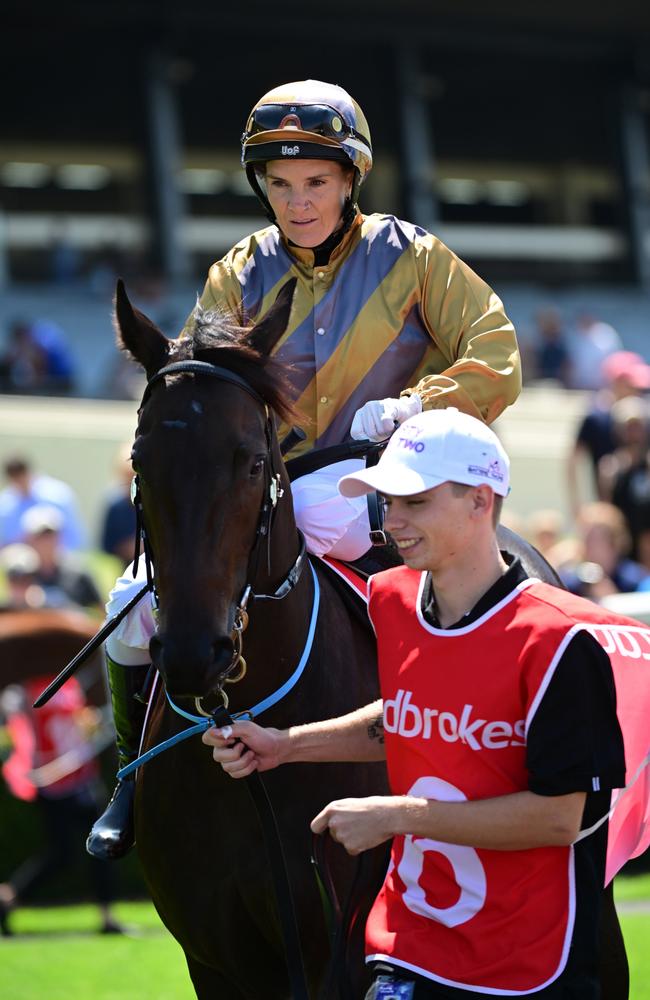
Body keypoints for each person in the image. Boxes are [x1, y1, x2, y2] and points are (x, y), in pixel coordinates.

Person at [87, 78, 522, 861]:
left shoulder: (415, 257)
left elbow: (498, 355)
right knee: (129, 607)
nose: (298, 201)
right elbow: (196, 386)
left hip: (382, 474)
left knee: (475, 580)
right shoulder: (237, 270)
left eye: (316, 182)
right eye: (281, 185)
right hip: (267, 488)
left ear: (351, 178)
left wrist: (418, 403)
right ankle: (131, 776)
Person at [205, 408, 627, 999]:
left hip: (527, 966)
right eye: (387, 502)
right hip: (406, 948)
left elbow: (560, 817)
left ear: (481, 502)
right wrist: (284, 746)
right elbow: (405, 713)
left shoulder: (559, 639)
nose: (392, 521)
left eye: (415, 503)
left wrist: (395, 815)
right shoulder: (390, 598)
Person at [0, 677, 121, 936]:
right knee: (61, 854)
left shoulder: (70, 685)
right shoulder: (27, 692)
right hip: (52, 784)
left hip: (83, 779)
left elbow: (78, 724)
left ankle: (107, 916)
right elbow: (17, 720)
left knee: (103, 847)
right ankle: (9, 897)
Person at [566, 350, 650, 517]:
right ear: (616, 383)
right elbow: (573, 461)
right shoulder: (596, 419)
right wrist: (577, 506)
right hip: (608, 508)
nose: (637, 391)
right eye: (631, 385)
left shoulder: (644, 416)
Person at [19, 505, 102, 612]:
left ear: (59, 537)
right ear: (29, 540)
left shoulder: (78, 573)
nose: (46, 542)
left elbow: (101, 613)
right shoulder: (20, 576)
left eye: (50, 535)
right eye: (40, 536)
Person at [0, 456, 86, 552]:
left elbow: (74, 539)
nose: (19, 483)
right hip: (19, 559)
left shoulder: (57, 495)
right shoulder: (5, 504)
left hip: (59, 557)